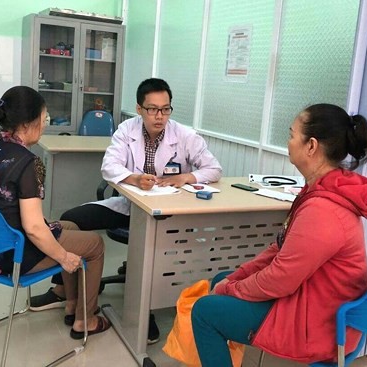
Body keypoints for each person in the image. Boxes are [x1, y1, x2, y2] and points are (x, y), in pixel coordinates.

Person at [30, 78, 223, 343]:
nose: (159, 116)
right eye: (152, 109)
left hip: (166, 213)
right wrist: (134, 178)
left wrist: (186, 177)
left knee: (153, 241)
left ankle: (145, 311)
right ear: (139, 108)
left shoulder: (185, 135)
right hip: (129, 205)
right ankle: (63, 289)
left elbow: (214, 169)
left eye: (165, 109)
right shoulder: (126, 130)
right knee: (69, 220)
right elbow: (109, 166)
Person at [191, 103, 367, 366]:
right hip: (318, 300)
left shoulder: (323, 210)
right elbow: (280, 249)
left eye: (292, 135)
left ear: (311, 146)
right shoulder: (323, 189)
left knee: (203, 312)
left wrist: (232, 289)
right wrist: (236, 278)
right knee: (223, 279)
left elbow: (281, 279)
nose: (289, 142)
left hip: (319, 323)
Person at [0, 86, 110, 339]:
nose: (45, 124)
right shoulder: (27, 163)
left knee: (71, 226)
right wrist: (64, 257)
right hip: (13, 256)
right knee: (95, 244)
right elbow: (33, 228)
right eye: (44, 118)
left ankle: (71, 302)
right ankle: (85, 321)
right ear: (29, 122)